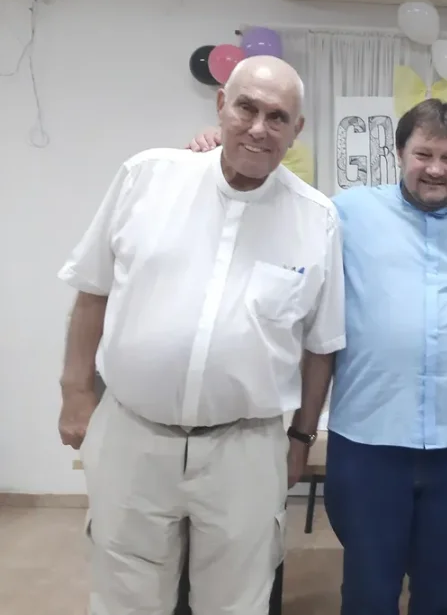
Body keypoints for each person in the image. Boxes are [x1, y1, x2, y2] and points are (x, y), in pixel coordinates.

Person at [187, 98, 447, 615]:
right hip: (368, 446)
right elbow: (270, 203)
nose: (435, 169)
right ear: (399, 153)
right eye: (423, 154)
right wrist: (216, 158)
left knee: (445, 594)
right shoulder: (345, 212)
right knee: (369, 592)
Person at [57, 55, 345, 615]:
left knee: (237, 601)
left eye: (278, 116)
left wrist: (302, 438)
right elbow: (91, 291)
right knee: (124, 596)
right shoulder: (149, 176)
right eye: (246, 107)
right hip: (131, 431)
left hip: (246, 446)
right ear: (220, 105)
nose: (259, 127)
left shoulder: (317, 219)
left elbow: (319, 346)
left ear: (296, 131)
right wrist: (75, 393)